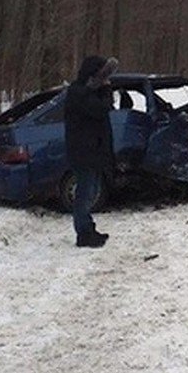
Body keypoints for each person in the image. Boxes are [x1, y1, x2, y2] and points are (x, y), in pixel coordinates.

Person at [65, 54, 119, 248]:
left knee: (92, 191)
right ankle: (83, 234)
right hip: (83, 151)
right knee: (85, 194)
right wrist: (105, 90)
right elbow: (100, 109)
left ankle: (88, 228)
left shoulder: (88, 92)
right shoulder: (77, 92)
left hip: (93, 151)